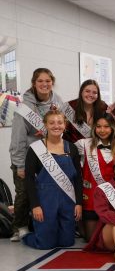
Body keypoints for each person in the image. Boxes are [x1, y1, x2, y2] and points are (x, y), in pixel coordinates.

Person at [10, 68, 66, 241]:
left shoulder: (58, 101)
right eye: (40, 81)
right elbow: (18, 136)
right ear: (34, 83)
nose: (44, 84)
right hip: (26, 156)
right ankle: (19, 227)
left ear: (52, 82)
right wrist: (19, 164)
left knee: (44, 193)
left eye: (48, 81)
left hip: (48, 156)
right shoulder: (24, 107)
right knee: (24, 193)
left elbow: (62, 126)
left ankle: (39, 223)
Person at [22, 110, 83, 249]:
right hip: (45, 201)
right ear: (45, 125)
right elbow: (29, 179)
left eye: (60, 122)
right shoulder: (36, 149)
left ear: (65, 125)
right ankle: (28, 236)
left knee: (67, 242)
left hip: (67, 200)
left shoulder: (71, 148)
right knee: (45, 244)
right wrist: (35, 205)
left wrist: (78, 203)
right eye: (52, 123)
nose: (56, 126)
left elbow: (78, 178)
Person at [75, 114, 115, 241]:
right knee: (91, 239)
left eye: (106, 126)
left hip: (113, 200)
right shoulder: (83, 144)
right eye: (98, 126)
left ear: (113, 128)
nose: (102, 130)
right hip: (91, 199)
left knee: (109, 239)